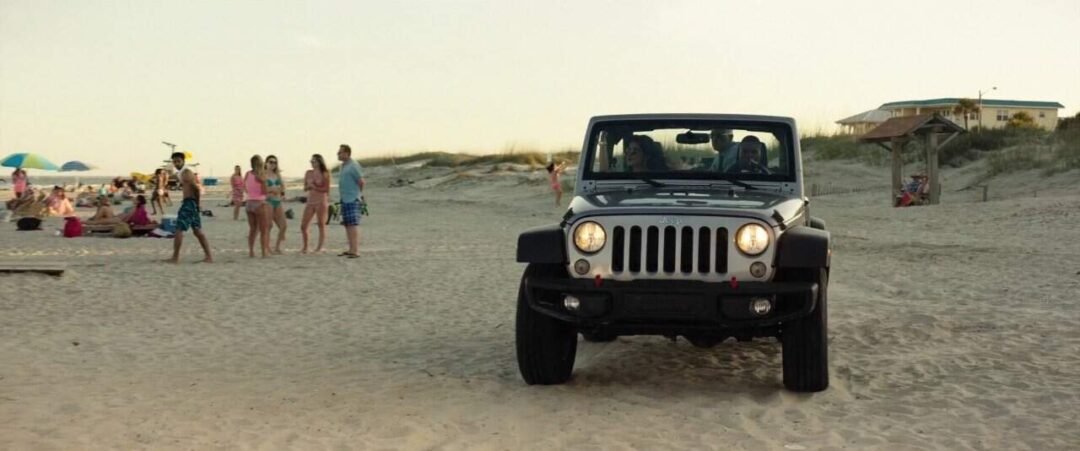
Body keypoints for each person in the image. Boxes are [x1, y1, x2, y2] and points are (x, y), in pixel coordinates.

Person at [167, 151, 212, 263]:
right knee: (197, 231)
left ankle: (175, 257)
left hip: (189, 203)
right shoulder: (181, 173)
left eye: (178, 161)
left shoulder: (186, 173)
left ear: (183, 161)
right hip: (191, 203)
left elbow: (196, 189)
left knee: (178, 229)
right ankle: (209, 257)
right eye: (175, 162)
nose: (176, 163)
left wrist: (196, 204)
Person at [337, 144, 364, 258]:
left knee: (353, 224)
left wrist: (358, 195)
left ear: (347, 153)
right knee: (347, 224)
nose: (338, 154)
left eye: (340, 152)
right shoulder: (343, 166)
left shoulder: (353, 165)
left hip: (352, 198)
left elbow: (361, 181)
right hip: (345, 198)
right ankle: (351, 249)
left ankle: (355, 250)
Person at [300, 154, 331, 254]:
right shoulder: (308, 173)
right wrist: (308, 187)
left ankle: (319, 247)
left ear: (319, 162)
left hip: (321, 200)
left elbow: (326, 189)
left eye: (314, 161)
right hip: (310, 200)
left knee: (321, 224)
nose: (312, 163)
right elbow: (305, 188)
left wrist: (315, 187)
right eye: (311, 161)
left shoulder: (325, 173)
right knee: (303, 225)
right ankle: (305, 247)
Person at [244, 155, 272, 258]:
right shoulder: (261, 176)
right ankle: (264, 252)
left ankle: (251, 251)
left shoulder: (247, 174)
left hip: (249, 203)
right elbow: (264, 191)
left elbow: (245, 188)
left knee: (252, 229)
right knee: (263, 230)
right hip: (259, 203)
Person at [264, 155, 287, 254]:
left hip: (277, 201)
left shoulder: (277, 174)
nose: (273, 164)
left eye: (275, 162)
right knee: (269, 226)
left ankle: (277, 247)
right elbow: (262, 189)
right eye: (270, 162)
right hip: (268, 202)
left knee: (283, 225)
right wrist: (272, 190)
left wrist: (277, 190)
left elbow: (282, 187)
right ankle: (267, 247)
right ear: (266, 163)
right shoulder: (263, 175)